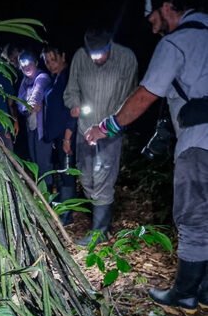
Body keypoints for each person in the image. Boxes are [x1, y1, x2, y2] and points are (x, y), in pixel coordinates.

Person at [84, 0, 208, 314]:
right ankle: (205, 288)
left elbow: (144, 96)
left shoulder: (176, 42)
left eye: (151, 15)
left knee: (194, 216)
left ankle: (184, 293)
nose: (150, 23)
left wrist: (105, 127)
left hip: (200, 143)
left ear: (168, 6)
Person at [63, 26, 138, 244]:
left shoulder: (126, 58)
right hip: (84, 129)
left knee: (103, 179)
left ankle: (99, 231)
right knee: (86, 178)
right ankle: (102, 221)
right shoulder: (79, 57)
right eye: (92, 55)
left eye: (100, 54)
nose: (96, 59)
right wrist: (74, 104)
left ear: (110, 45)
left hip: (110, 132)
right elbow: (71, 90)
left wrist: (116, 123)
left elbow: (132, 96)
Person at [41, 43, 78, 225]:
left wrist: (67, 138)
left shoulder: (68, 78)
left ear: (63, 56)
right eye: (46, 61)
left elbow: (72, 110)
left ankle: (67, 214)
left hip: (67, 136)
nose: (50, 64)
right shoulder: (56, 78)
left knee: (67, 173)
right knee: (61, 172)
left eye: (53, 59)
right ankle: (63, 207)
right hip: (57, 137)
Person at [16, 49, 53, 189]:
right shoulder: (25, 82)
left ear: (36, 63)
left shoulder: (42, 77)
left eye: (29, 63)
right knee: (34, 162)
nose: (26, 67)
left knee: (44, 163)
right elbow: (20, 104)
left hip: (42, 129)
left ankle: (47, 194)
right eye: (22, 64)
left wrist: (29, 106)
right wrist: (28, 108)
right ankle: (39, 192)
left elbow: (36, 95)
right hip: (31, 127)